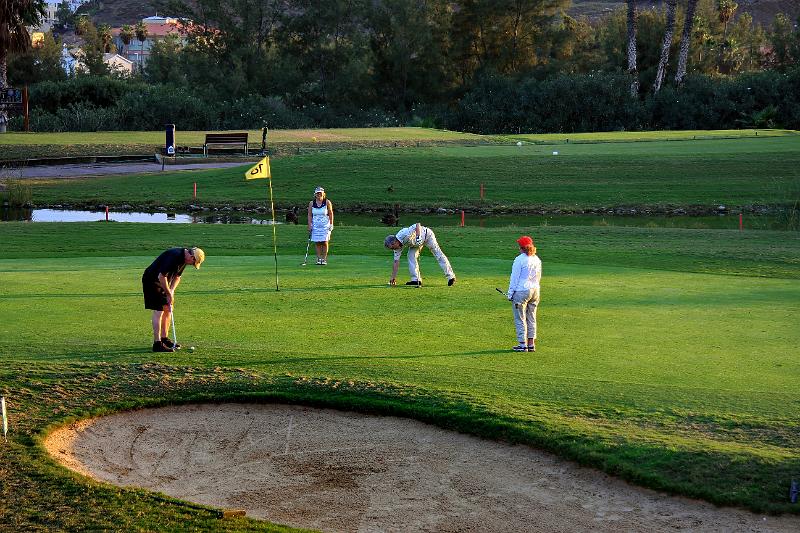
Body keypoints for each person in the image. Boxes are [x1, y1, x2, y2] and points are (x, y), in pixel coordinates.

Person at [142, 247, 205, 352]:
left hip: (163, 281)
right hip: (152, 280)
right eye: (193, 263)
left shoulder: (184, 259)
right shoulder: (174, 256)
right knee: (159, 310)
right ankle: (157, 344)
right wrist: (168, 294)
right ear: (192, 257)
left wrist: (171, 291)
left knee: (168, 308)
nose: (191, 265)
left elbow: (177, 277)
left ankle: (164, 338)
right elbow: (161, 276)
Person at [384, 223, 456, 287]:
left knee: (438, 254)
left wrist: (418, 237)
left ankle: (451, 277)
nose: (393, 249)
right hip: (415, 244)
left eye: (392, 247)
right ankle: (416, 280)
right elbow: (396, 262)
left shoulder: (404, 233)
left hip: (427, 235)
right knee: (411, 256)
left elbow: (417, 224)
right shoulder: (397, 248)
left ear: (394, 242)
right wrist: (393, 277)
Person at [506, 236, 542, 352]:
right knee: (531, 317)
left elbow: (514, 278)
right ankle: (531, 344)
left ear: (521, 247)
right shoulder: (536, 259)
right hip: (535, 290)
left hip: (522, 291)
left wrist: (510, 294)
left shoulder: (519, 259)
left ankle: (522, 344)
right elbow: (538, 277)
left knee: (520, 318)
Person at [308, 186, 334, 265]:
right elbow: (309, 215)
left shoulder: (327, 202)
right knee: (318, 242)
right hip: (315, 225)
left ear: (323, 194)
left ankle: (324, 259)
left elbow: (330, 213)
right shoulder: (311, 203)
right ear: (315, 194)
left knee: (325, 242)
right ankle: (319, 259)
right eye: (317, 193)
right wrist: (309, 225)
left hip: (325, 226)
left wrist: (331, 224)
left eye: (320, 193)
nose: (319, 194)